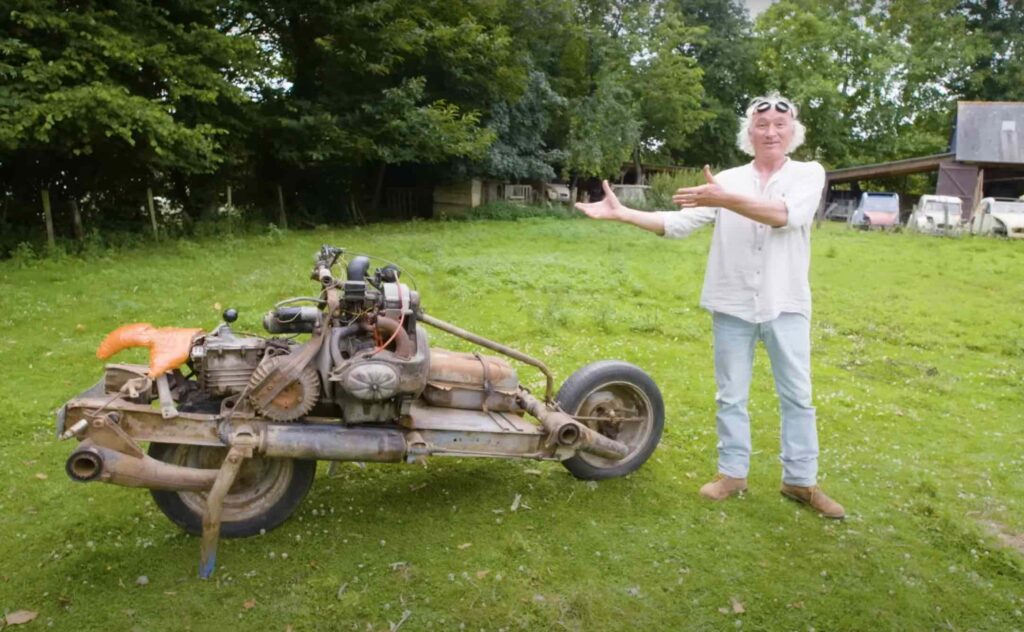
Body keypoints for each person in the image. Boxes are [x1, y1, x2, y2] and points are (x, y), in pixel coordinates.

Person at [575, 94, 844, 519]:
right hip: (732, 302)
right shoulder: (729, 178)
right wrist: (623, 213)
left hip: (786, 303)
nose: (770, 131)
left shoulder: (808, 173)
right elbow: (678, 224)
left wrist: (722, 199)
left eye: (779, 124)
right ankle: (732, 474)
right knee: (730, 396)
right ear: (748, 133)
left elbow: (784, 216)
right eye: (761, 125)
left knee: (797, 396)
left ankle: (800, 481)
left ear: (793, 131)